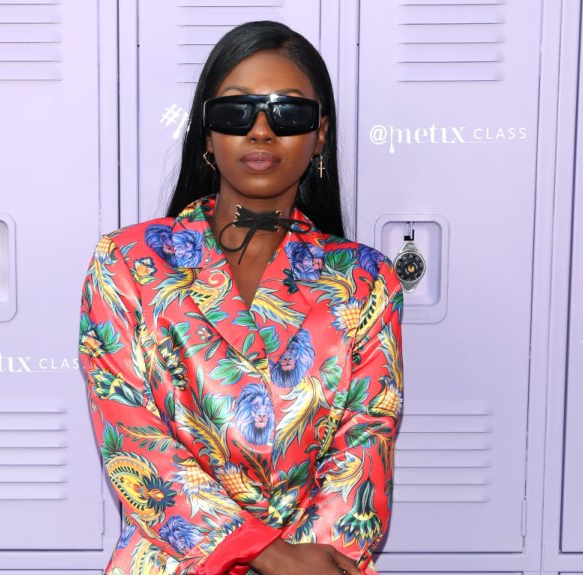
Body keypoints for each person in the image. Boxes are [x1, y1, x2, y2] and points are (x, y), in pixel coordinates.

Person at [78, 20, 404, 575]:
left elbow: (366, 437)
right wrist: (263, 555)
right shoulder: (128, 263)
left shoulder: (367, 279)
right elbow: (134, 435)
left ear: (320, 134)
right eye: (235, 112)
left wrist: (307, 563)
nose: (260, 131)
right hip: (174, 560)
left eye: (288, 113)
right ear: (207, 134)